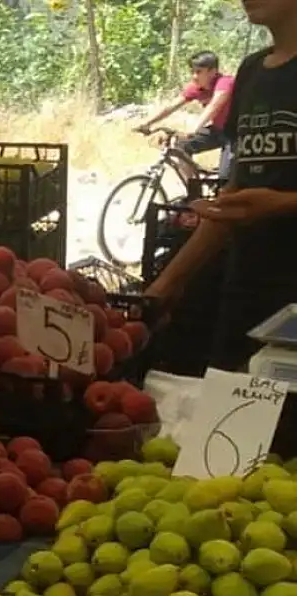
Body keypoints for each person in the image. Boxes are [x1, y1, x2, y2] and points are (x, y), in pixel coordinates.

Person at [146, 0, 297, 374]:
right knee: (230, 412)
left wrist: (282, 204)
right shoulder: (251, 71)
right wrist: (165, 286)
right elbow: (233, 198)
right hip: (246, 287)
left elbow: (261, 201)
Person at [134, 51, 236, 180]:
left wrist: (193, 129)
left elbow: (213, 107)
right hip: (217, 131)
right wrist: (147, 123)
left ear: (213, 71)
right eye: (192, 72)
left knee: (224, 177)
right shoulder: (197, 88)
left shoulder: (225, 83)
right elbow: (170, 107)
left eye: (199, 72)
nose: (194, 76)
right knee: (181, 146)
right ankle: (194, 189)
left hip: (235, 134)